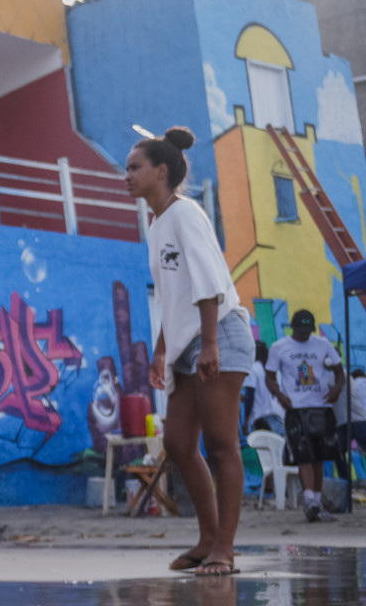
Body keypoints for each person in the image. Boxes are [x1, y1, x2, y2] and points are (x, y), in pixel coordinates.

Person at [125, 126, 254, 576]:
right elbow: (170, 297)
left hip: (219, 330)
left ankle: (225, 548)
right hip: (187, 341)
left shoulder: (186, 213)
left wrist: (211, 343)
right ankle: (205, 539)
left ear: (162, 171)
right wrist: (162, 351)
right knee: (179, 443)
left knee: (221, 446)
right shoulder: (158, 225)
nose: (127, 175)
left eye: (135, 167)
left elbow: (207, 282)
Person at [265, 309, 344, 523]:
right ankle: (309, 500)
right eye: (301, 330)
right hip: (296, 408)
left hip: (321, 407)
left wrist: (336, 390)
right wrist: (280, 395)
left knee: (319, 456)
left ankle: (316, 504)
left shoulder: (323, 344)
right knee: (303, 455)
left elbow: (339, 371)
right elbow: (269, 377)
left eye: (308, 330)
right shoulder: (279, 347)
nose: (304, 334)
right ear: (293, 327)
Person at [245, 341, 285, 437]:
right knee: (281, 450)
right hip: (279, 418)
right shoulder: (275, 370)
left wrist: (246, 421)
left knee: (266, 451)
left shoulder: (253, 369)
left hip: (263, 420)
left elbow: (250, 396)